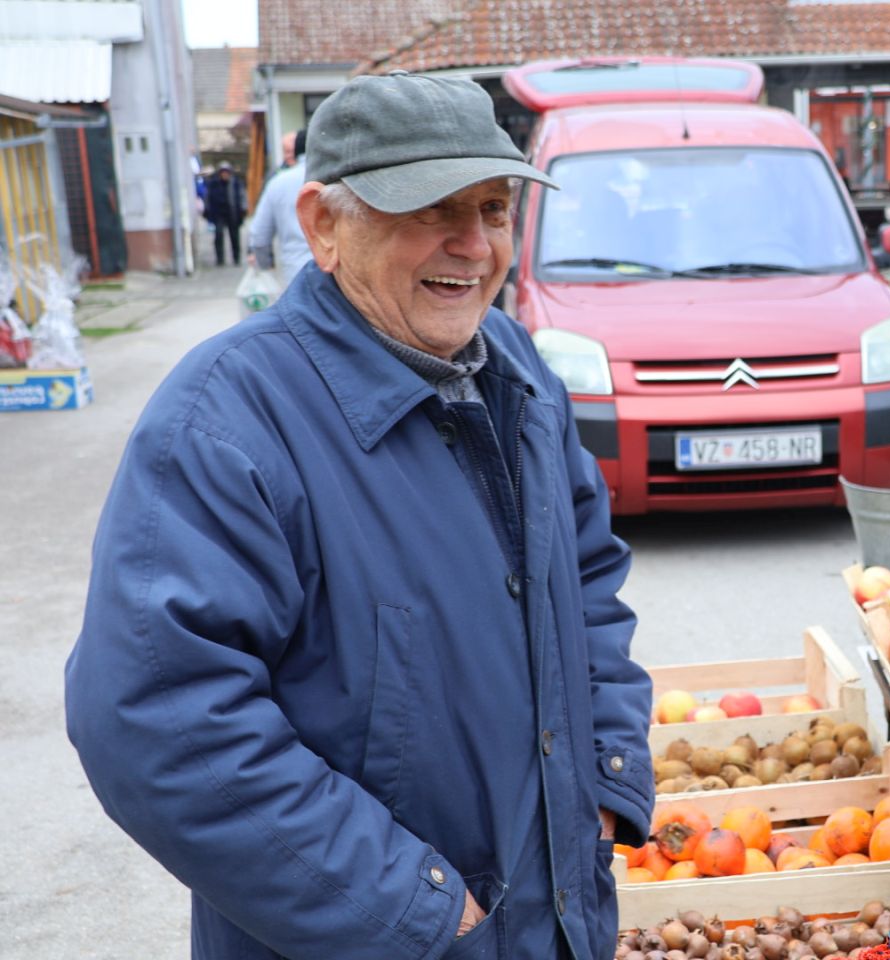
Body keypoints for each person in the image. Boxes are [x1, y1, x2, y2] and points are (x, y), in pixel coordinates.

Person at [65, 71, 654, 960]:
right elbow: (157, 724)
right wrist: (416, 915)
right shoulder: (226, 425)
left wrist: (607, 771)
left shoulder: (519, 372)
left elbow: (589, 576)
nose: (473, 245)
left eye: (494, 209)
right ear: (323, 227)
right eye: (430, 211)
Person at [248, 128, 313, 288]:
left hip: (295, 275)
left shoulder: (277, 183)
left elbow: (259, 235)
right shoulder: (337, 178)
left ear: (296, 153)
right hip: (340, 277)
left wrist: (266, 267)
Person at [203, 160, 247, 266]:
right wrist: (207, 211)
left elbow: (242, 197)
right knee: (218, 235)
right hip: (219, 213)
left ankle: (236, 258)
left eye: (226, 172)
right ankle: (220, 259)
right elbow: (208, 197)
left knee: (234, 237)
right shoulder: (213, 184)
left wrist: (243, 210)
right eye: (223, 172)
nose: (225, 175)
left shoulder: (235, 183)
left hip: (233, 213)